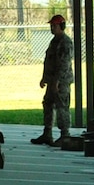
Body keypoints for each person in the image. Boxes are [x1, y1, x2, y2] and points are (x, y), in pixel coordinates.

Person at [34, 11, 74, 146]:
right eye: (51, 26)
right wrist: (44, 78)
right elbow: (49, 61)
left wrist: (57, 81)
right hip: (52, 80)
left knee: (62, 106)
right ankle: (47, 133)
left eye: (55, 26)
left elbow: (64, 64)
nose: (52, 28)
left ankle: (65, 135)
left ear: (61, 26)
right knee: (48, 104)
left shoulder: (65, 42)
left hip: (60, 82)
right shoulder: (54, 41)